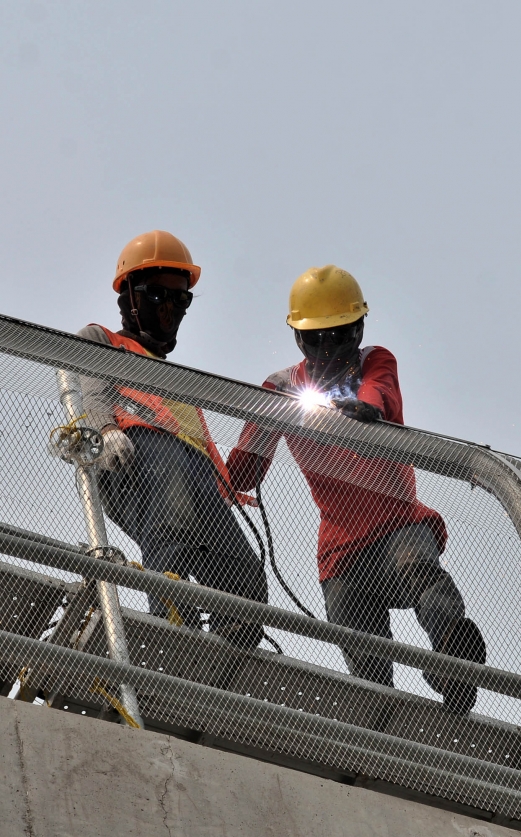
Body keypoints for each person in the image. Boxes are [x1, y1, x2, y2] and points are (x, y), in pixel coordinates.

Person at [226, 264, 486, 712]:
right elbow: (244, 474)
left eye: (340, 336)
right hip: (341, 554)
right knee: (364, 656)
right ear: (299, 340)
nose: (328, 350)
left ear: (359, 329)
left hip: (398, 523)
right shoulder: (284, 388)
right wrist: (264, 421)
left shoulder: (374, 362)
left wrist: (361, 409)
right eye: (317, 339)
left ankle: (453, 661)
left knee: (422, 576)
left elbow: (377, 390)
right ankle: (378, 720)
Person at [77, 229, 268, 649]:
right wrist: (107, 429)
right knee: (173, 523)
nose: (171, 307)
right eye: (159, 294)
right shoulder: (104, 340)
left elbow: (196, 443)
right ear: (130, 295)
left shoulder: (175, 382)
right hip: (132, 458)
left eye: (181, 299)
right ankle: (170, 630)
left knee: (245, 574)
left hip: (191, 475)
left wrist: (225, 482)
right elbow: (89, 386)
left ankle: (225, 650)